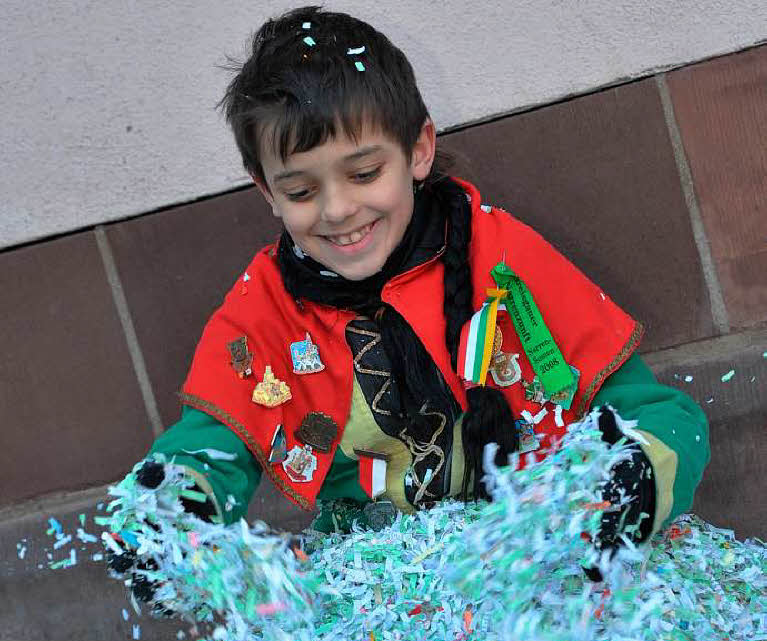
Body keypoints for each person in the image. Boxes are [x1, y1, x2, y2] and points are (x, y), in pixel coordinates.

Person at [111, 4, 709, 597]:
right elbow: (211, 443)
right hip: (377, 595)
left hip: (540, 559)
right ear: (265, 189)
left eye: (365, 174)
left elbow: (654, 412)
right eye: (300, 190)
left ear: (418, 149)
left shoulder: (499, 257)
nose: (338, 210)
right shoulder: (264, 308)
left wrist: (631, 480)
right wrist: (172, 511)